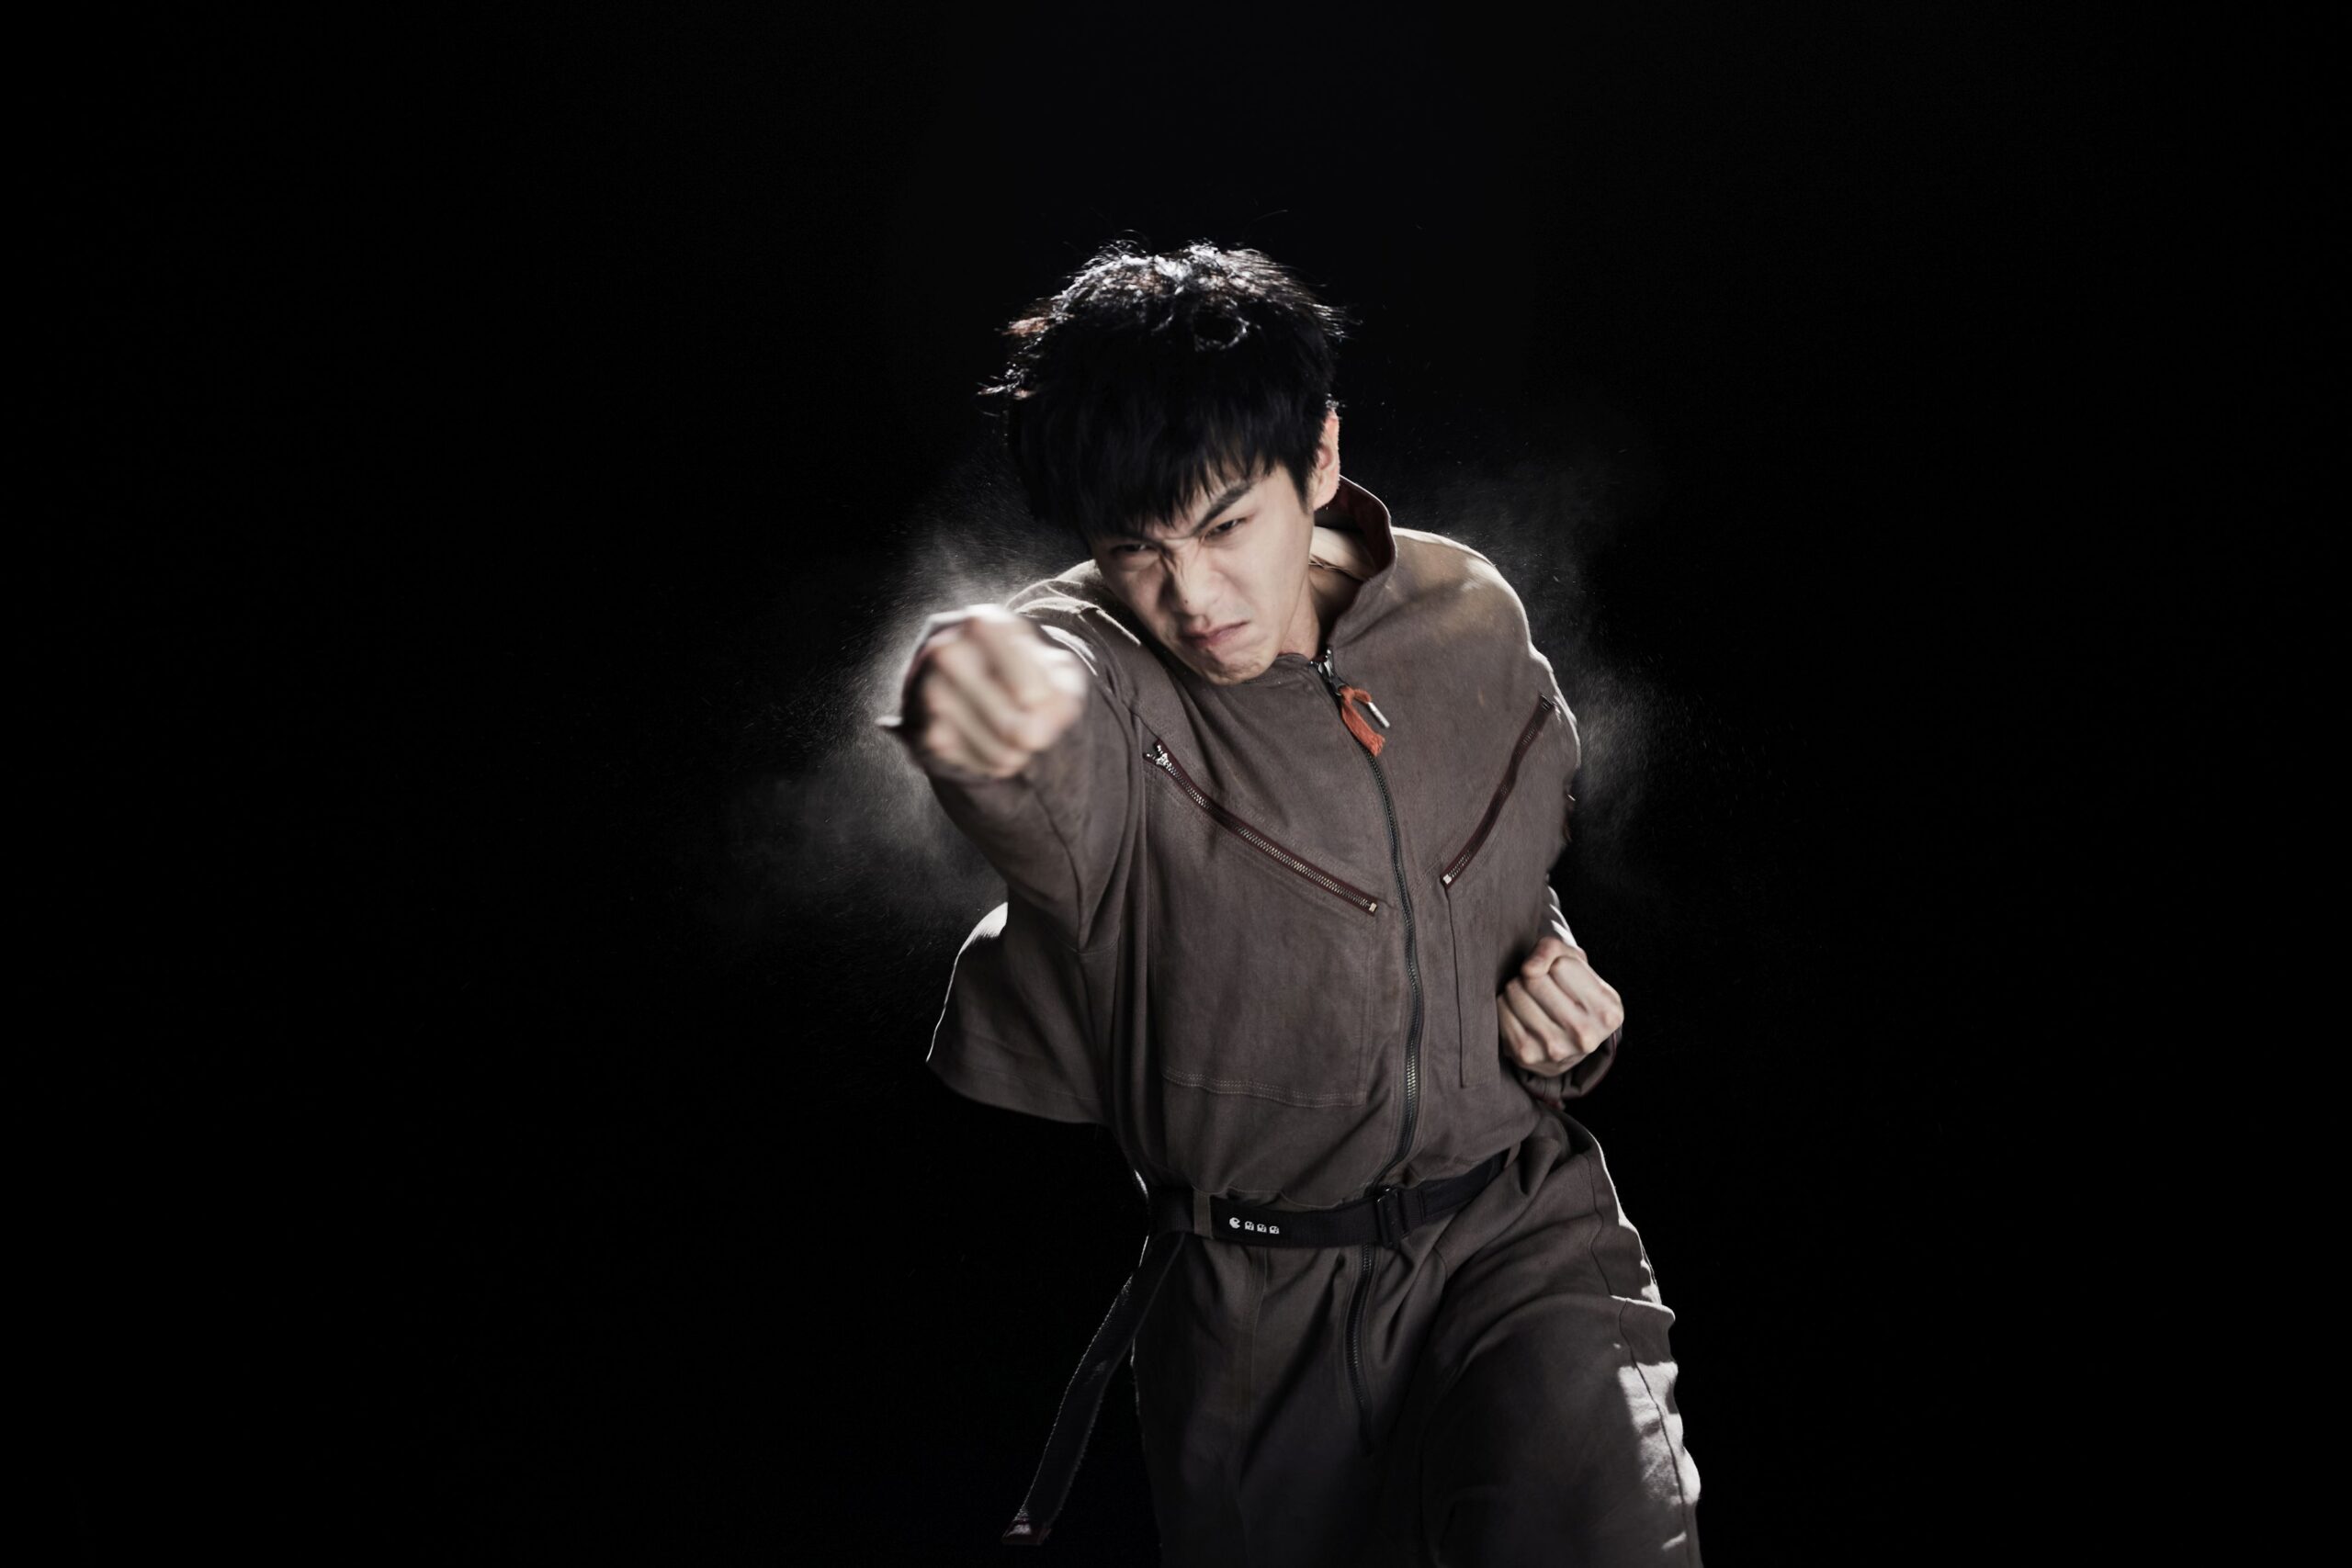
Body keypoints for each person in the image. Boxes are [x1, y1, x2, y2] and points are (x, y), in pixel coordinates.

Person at [884, 242, 1702, 1567]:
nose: (1193, 599)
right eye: (1135, 549)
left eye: (1225, 529)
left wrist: (1572, 1014)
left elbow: (1487, 888)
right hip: (1253, 1319)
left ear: (1318, 458)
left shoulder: (1464, 614)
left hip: (1519, 1239)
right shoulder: (1095, 670)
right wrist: (987, 716)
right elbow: (1045, 752)